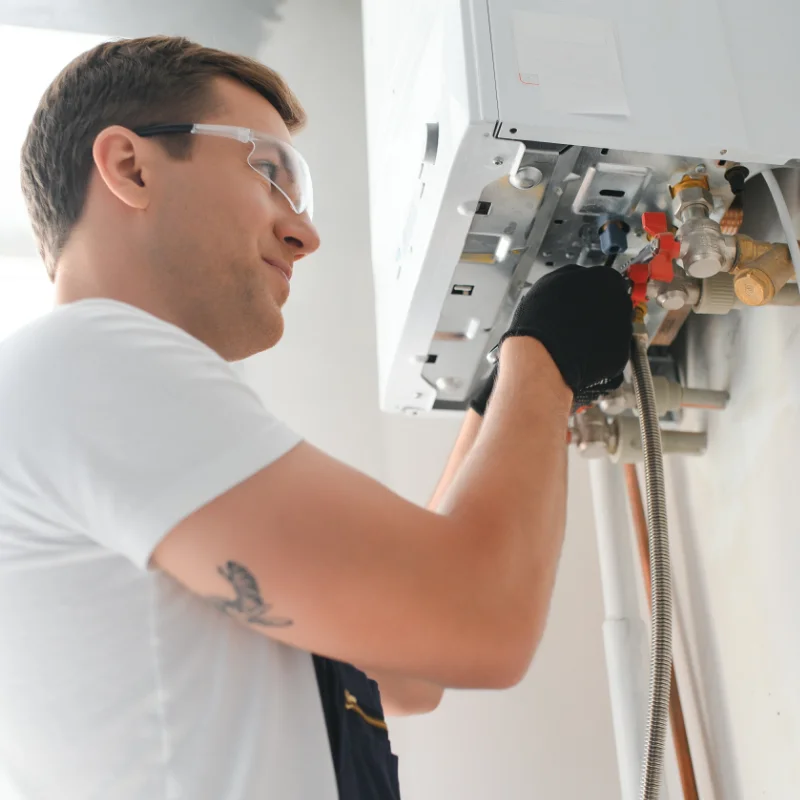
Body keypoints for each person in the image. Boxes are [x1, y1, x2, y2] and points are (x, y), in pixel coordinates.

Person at [0, 34, 631, 800]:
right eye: (269, 172)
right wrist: (543, 360)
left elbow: (413, 665)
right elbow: (480, 621)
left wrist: (508, 388)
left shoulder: (79, 403)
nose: (305, 233)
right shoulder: (87, 356)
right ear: (131, 168)